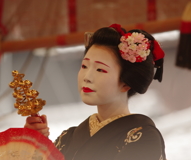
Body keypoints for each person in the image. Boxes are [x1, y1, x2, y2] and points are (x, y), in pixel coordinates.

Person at [24, 24, 166, 160]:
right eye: (84, 66)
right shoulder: (69, 137)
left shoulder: (143, 137)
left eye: (100, 70)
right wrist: (36, 143)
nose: (87, 77)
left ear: (126, 82)